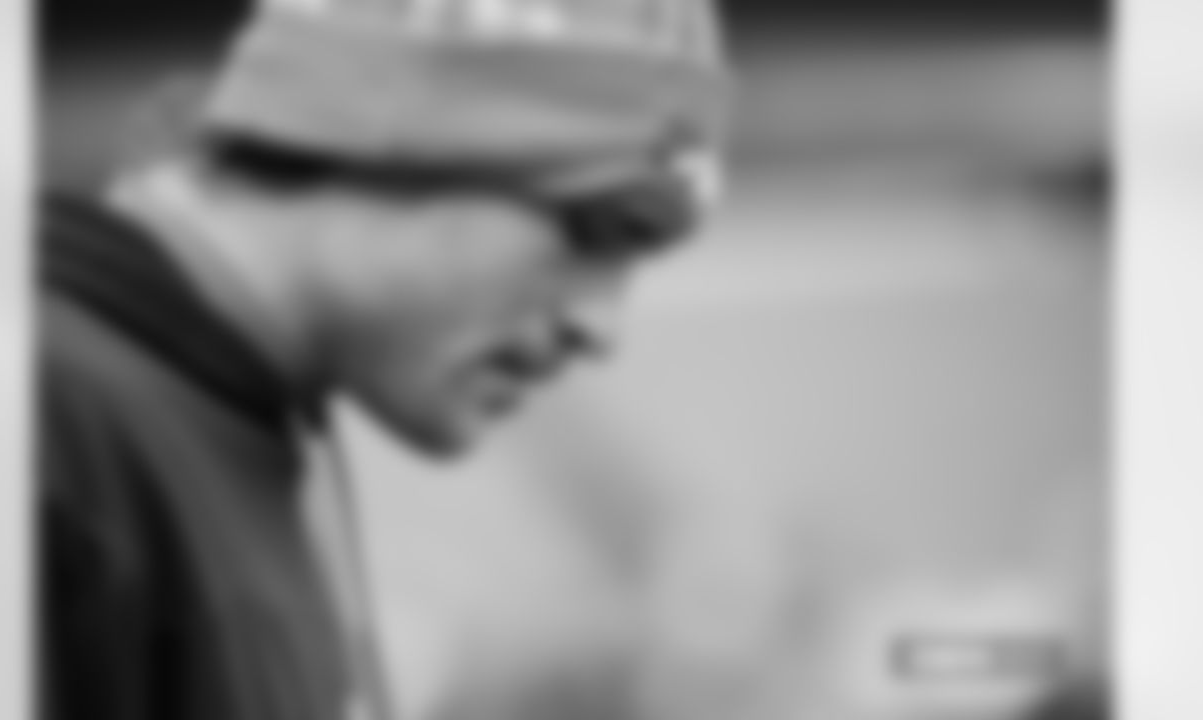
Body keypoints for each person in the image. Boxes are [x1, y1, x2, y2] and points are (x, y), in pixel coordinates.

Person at [37, 0, 733, 719]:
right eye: (591, 230)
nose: (600, 329)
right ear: (370, 126)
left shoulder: (231, 413)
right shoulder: (41, 429)